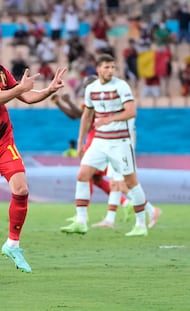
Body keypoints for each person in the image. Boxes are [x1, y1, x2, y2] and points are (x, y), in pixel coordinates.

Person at [0, 19, 66, 273]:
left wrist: (49, 89)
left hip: (3, 140)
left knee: (21, 189)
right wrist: (18, 89)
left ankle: (12, 244)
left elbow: (26, 96)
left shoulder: (1, 71)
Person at [60, 54, 158, 237]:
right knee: (82, 175)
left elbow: (131, 111)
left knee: (130, 182)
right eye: (106, 67)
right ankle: (81, 221)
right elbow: (86, 116)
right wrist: (81, 141)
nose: (110, 71)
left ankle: (140, 224)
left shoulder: (121, 86)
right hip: (99, 141)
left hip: (120, 142)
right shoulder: (91, 89)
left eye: (113, 67)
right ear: (98, 69)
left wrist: (109, 119)